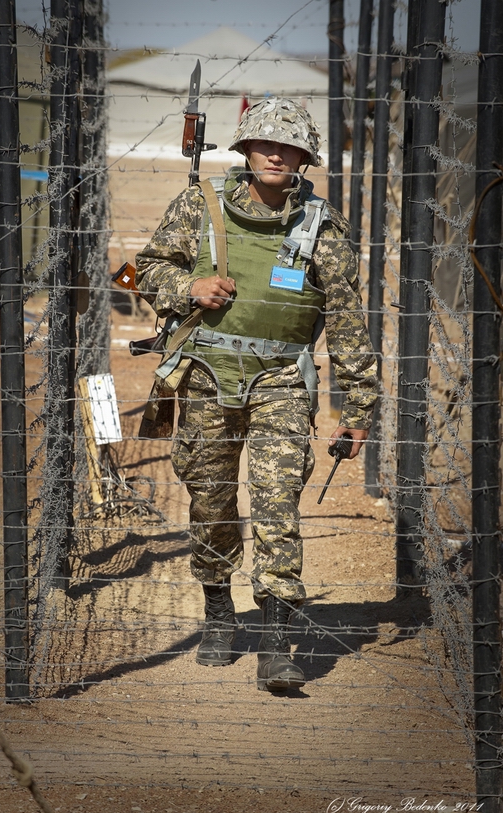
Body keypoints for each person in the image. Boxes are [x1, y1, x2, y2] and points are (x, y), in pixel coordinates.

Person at [134, 97, 378, 692]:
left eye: (288, 145)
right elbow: (145, 269)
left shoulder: (322, 227)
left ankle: (275, 638)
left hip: (282, 381)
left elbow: (347, 318)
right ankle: (219, 610)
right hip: (205, 376)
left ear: (303, 157)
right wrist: (187, 285)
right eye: (264, 142)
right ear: (245, 149)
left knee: (276, 504)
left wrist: (359, 405)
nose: (275, 152)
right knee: (211, 499)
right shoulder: (201, 205)